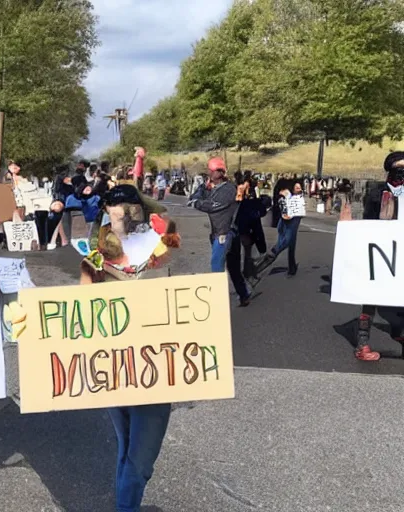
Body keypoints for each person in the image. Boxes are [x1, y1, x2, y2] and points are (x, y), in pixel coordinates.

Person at [80, 185, 180, 512]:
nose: (121, 217)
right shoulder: (94, 258)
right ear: (106, 215)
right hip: (113, 365)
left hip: (152, 365)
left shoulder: (160, 249)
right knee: (131, 456)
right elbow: (78, 309)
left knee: (138, 458)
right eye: (114, 211)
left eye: (128, 210)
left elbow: (179, 304)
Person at [347, 152, 404, 361]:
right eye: (399, 167)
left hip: (402, 253)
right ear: (390, 169)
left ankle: (399, 333)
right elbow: (368, 223)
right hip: (380, 252)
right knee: (371, 298)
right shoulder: (377, 192)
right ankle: (362, 344)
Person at [192, 157, 250, 306]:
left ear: (221, 172)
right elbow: (193, 199)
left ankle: (217, 302)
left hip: (225, 234)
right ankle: (244, 294)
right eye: (209, 170)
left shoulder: (228, 189)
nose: (210, 173)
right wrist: (203, 189)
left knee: (217, 266)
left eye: (213, 171)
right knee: (233, 267)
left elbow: (211, 206)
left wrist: (198, 201)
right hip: (219, 232)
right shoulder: (213, 188)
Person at [255, 180, 305, 277]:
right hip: (291, 218)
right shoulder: (289, 197)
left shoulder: (283, 195)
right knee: (287, 241)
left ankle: (292, 267)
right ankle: (260, 266)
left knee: (291, 241)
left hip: (284, 220)